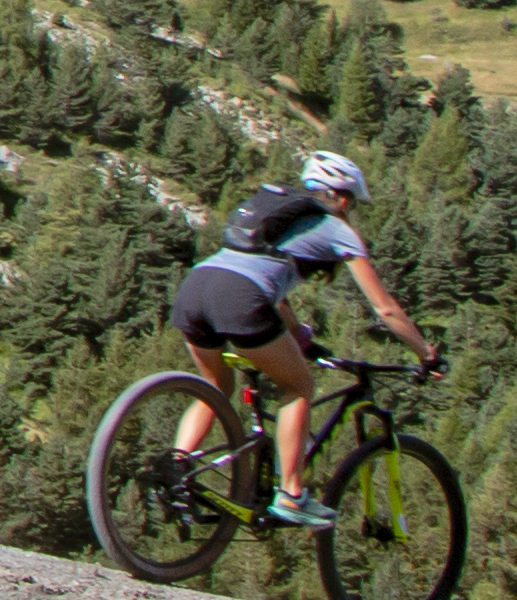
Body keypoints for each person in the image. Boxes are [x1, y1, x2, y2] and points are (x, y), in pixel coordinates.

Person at [168, 149, 440, 526]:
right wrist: (426, 353)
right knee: (297, 386)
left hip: (195, 287)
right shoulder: (337, 228)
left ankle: (177, 466)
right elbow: (387, 310)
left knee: (216, 387)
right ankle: (292, 495)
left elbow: (266, 281)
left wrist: (297, 335)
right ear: (343, 198)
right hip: (240, 297)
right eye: (351, 204)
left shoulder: (276, 216)